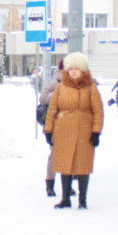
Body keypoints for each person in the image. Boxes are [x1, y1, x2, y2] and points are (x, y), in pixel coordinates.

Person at [43, 52, 103, 209]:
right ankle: (65, 199)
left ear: (83, 70)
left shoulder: (91, 88)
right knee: (64, 163)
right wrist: (48, 130)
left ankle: (82, 199)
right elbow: (52, 110)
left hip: (85, 132)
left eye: (77, 69)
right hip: (63, 131)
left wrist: (96, 131)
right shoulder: (61, 88)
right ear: (67, 71)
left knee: (83, 164)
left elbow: (98, 111)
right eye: (71, 69)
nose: (74, 72)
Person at [37, 59, 66, 198]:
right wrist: (57, 95)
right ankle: (50, 184)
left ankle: (68, 186)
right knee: (54, 154)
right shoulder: (56, 82)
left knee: (68, 154)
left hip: (69, 123)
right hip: (55, 123)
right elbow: (42, 98)